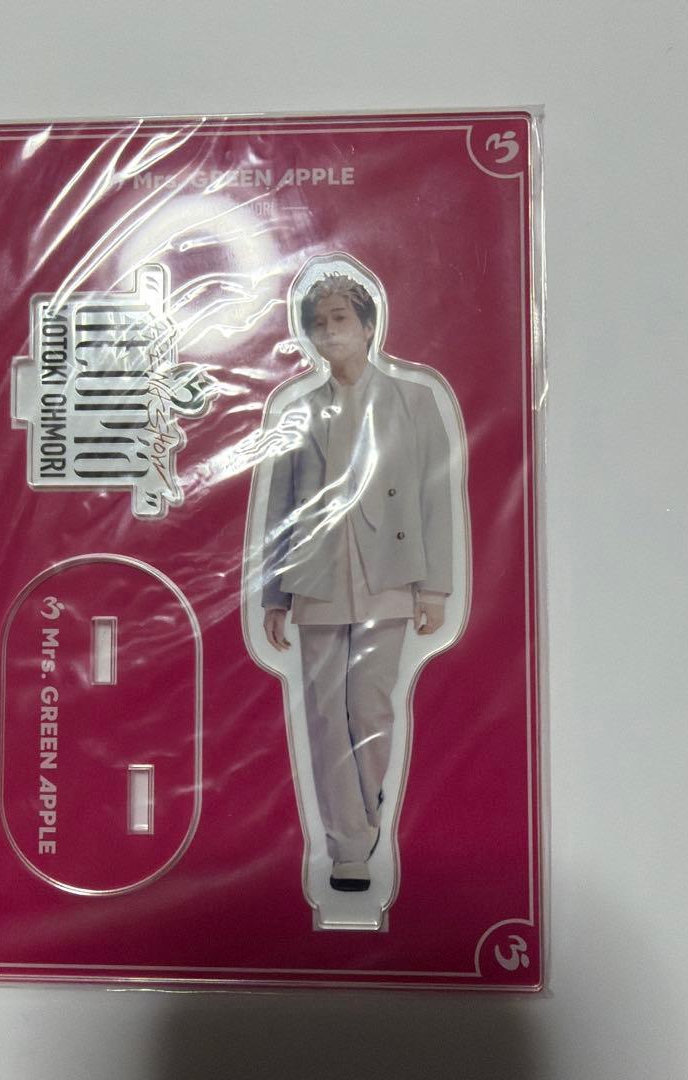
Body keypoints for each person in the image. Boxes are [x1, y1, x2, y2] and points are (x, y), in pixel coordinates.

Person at [261, 264, 452, 893]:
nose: (329, 331)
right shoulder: (300, 412)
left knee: (368, 703)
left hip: (388, 574)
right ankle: (349, 844)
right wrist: (273, 594)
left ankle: (364, 815)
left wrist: (433, 586)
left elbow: (434, 495)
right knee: (323, 713)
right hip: (315, 578)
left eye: (340, 318)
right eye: (318, 323)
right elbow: (281, 509)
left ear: (368, 327)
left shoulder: (413, 401)